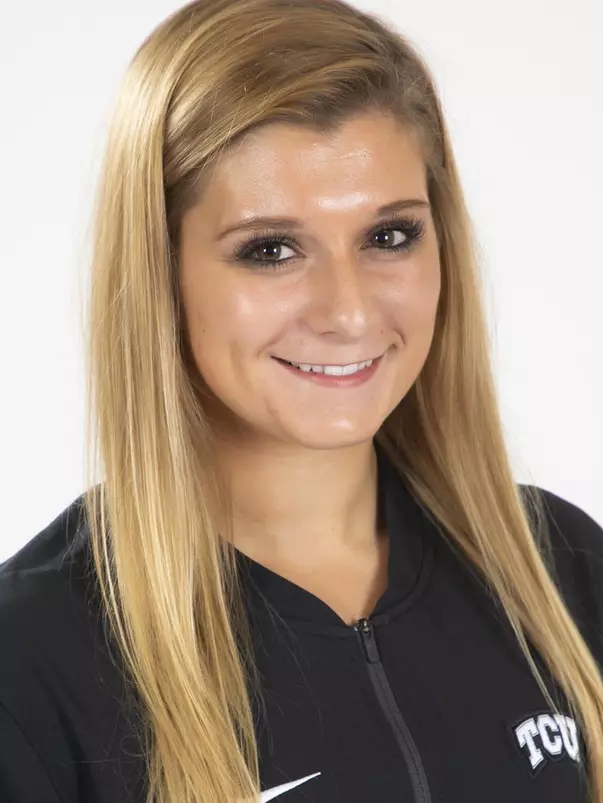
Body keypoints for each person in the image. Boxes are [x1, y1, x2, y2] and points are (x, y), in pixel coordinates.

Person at [1, 0, 602, 801]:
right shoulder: (31, 660)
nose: (349, 312)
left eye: (388, 235)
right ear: (161, 277)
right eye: (271, 250)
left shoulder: (560, 568)